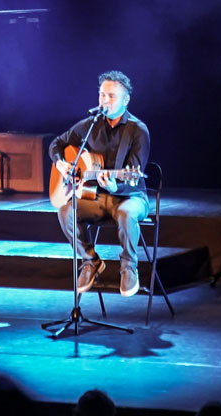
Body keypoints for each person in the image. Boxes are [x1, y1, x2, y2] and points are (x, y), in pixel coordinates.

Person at [50, 70, 150, 297]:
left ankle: (128, 267)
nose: (105, 100)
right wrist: (61, 164)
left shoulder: (138, 131)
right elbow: (56, 144)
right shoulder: (89, 126)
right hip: (96, 196)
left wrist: (117, 186)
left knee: (126, 213)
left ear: (126, 100)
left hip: (131, 196)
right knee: (66, 210)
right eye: (102, 95)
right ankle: (91, 260)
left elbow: (135, 176)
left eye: (111, 96)